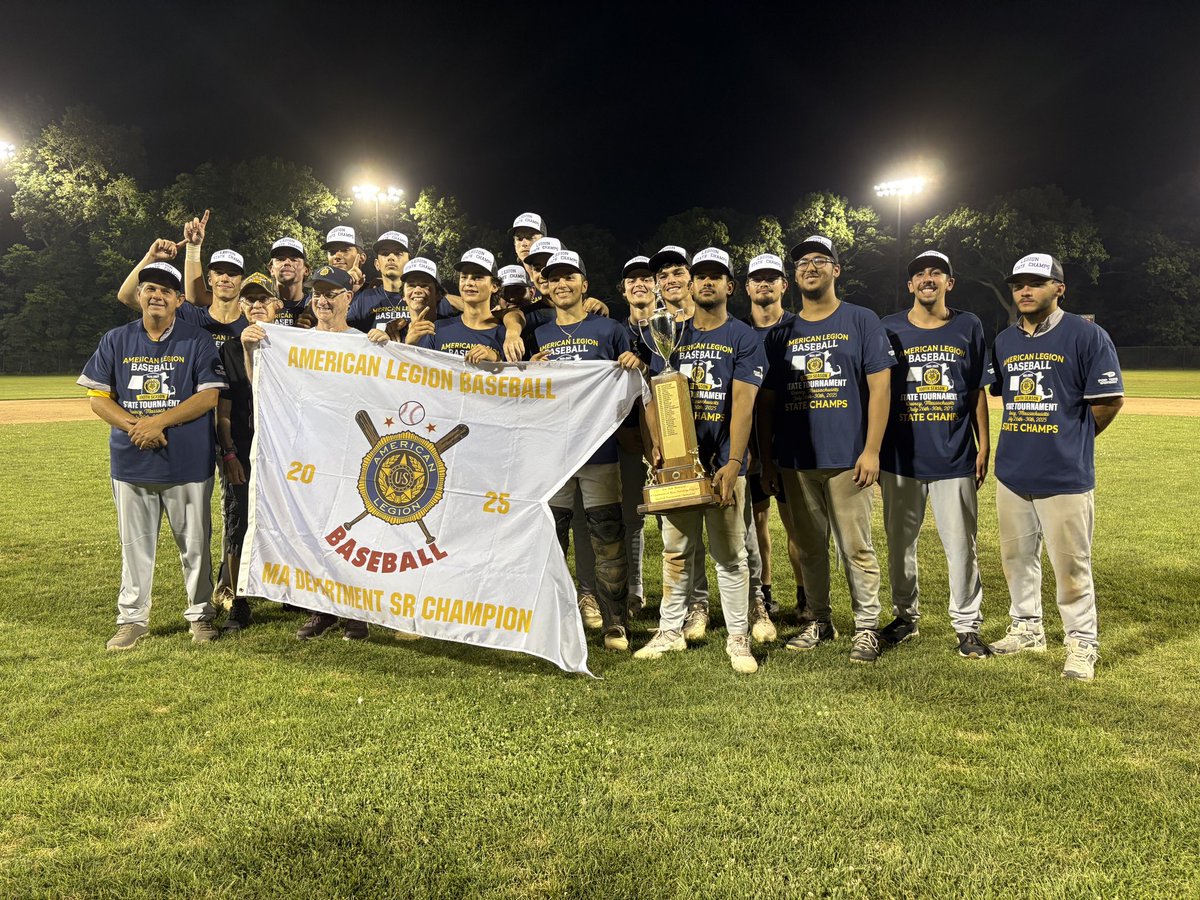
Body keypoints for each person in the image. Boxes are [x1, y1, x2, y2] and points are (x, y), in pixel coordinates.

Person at [758, 235, 895, 664]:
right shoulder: (782, 332)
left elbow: (880, 387)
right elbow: (767, 401)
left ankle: (868, 626)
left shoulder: (860, 319)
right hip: (797, 460)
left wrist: (872, 449)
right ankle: (820, 619)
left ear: (836, 270)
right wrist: (768, 458)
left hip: (848, 458)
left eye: (820, 260)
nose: (810, 267)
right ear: (793, 275)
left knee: (855, 546)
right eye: (801, 263)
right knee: (809, 546)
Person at [77, 262, 228, 650]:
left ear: (179, 299)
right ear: (139, 295)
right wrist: (136, 427)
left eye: (166, 290)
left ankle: (200, 616)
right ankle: (132, 619)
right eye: (150, 288)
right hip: (132, 461)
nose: (157, 295)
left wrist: (157, 422)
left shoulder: (197, 339)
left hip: (188, 462)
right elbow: (98, 398)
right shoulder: (116, 339)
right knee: (135, 546)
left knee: (195, 545)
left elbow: (208, 396)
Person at [988, 253, 1124, 681]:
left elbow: (1108, 400)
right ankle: (1027, 628)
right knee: (1016, 559)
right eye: (1018, 284)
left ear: (1058, 288)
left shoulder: (1087, 335)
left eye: (1036, 283)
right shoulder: (1005, 340)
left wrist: (1071, 441)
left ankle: (1082, 641)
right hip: (1012, 472)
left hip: (1064, 476)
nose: (1024, 291)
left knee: (1071, 565)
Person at [634, 247, 765, 674]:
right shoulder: (670, 332)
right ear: (691, 284)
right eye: (701, 276)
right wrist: (657, 445)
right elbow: (656, 392)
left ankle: (738, 637)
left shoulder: (743, 337)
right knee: (676, 551)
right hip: (679, 465)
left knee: (730, 555)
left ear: (730, 286)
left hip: (723, 464)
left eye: (717, 277)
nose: (708, 283)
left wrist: (734, 461)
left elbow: (744, 405)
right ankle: (669, 631)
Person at [242, 264, 390, 640]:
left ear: (348, 298)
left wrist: (388, 352)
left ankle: (356, 611)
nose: (322, 300)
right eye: (317, 294)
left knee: (356, 534)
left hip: (353, 455)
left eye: (331, 293)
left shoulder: (364, 342)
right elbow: (261, 385)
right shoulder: (293, 342)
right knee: (314, 531)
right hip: (309, 455)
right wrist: (249, 349)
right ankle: (320, 608)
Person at [878, 251, 994, 658]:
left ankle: (967, 625)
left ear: (950, 282)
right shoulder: (888, 327)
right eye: (920, 274)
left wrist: (984, 444)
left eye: (936, 273)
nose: (927, 278)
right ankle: (905, 617)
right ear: (910, 285)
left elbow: (977, 387)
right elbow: (877, 392)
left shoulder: (969, 325)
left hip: (956, 455)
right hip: (900, 458)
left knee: (962, 545)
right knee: (899, 544)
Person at [528, 250, 639, 650]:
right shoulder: (535, 333)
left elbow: (631, 386)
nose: (561, 284)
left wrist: (632, 362)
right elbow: (519, 391)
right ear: (544, 286)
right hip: (552, 453)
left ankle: (615, 621)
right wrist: (529, 370)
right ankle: (554, 616)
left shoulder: (609, 329)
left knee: (607, 535)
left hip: (599, 451)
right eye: (554, 278)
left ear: (584, 284)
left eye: (569, 277)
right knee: (552, 538)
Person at [215, 273, 281, 631]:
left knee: (288, 521)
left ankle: (289, 591)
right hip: (243, 448)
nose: (257, 305)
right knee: (238, 522)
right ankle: (239, 599)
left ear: (277, 305)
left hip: (286, 454)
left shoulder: (297, 345)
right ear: (240, 305)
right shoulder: (227, 348)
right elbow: (222, 411)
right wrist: (228, 455)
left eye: (264, 299)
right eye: (250, 300)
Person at [407, 249, 504, 361]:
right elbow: (420, 373)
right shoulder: (438, 328)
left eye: (477, 277)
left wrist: (498, 361)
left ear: (494, 286)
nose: (469, 283)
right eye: (464, 277)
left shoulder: (506, 334)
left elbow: (520, 375)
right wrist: (409, 346)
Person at [347, 231, 411, 333]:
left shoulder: (423, 297)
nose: (391, 258)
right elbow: (340, 331)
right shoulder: (364, 299)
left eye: (398, 253)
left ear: (409, 262)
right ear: (377, 264)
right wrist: (345, 287)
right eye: (385, 253)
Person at [267, 237, 313, 327]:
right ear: (271, 269)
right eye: (280, 259)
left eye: (294, 259)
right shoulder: (262, 306)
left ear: (306, 270)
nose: (287, 263)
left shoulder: (316, 306)